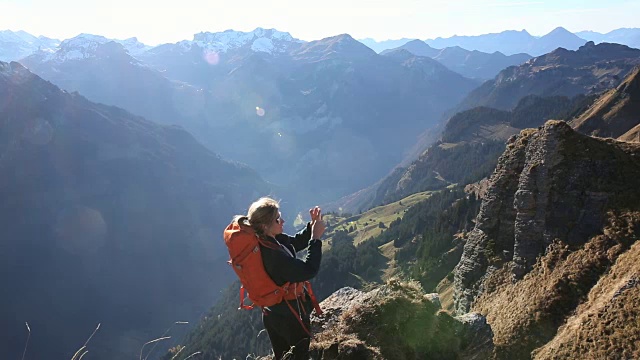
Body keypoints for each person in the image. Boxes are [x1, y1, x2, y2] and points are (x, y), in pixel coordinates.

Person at [235, 197, 325, 360]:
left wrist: (312, 226)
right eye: (277, 219)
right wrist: (316, 239)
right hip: (289, 315)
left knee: (283, 356)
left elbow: (294, 243)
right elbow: (309, 270)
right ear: (265, 226)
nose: (282, 221)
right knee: (299, 354)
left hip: (273, 313)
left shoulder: (265, 240)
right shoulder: (273, 256)